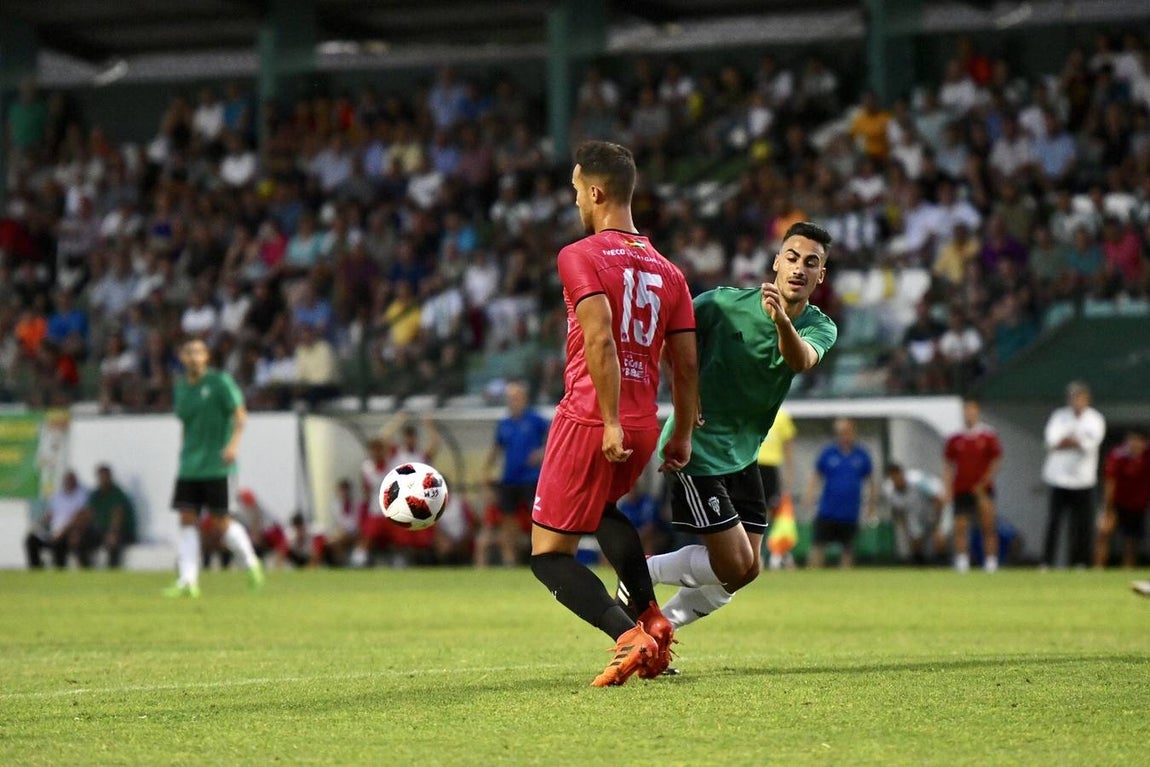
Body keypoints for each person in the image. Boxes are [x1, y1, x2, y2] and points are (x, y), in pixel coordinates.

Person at [529, 141, 698, 687]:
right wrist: (681, 432)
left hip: (591, 417)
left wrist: (606, 420)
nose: (576, 199)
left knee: (548, 555)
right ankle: (652, 621)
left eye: (577, 189)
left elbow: (599, 341)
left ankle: (630, 639)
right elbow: (687, 362)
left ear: (596, 192)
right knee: (600, 509)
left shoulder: (579, 255)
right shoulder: (669, 271)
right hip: (647, 422)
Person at [640, 222, 837, 632]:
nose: (800, 268)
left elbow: (799, 359)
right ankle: (639, 572)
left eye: (811, 263)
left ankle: (658, 630)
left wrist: (783, 321)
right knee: (731, 563)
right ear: (776, 262)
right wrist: (684, 393)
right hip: (698, 447)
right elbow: (667, 338)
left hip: (744, 453)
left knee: (746, 571)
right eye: (793, 258)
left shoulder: (821, 326)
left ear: (821, 276)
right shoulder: (722, 304)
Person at [164, 337, 263, 597]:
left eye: (198, 351)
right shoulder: (181, 388)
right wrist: (184, 454)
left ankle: (251, 564)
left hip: (217, 465)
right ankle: (188, 580)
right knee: (187, 520)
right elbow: (187, 425)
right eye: (188, 352)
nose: (194, 357)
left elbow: (240, 415)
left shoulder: (220, 382)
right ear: (182, 357)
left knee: (221, 522)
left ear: (206, 356)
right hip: (190, 466)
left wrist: (233, 446)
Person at [482, 381, 549, 567]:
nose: (514, 400)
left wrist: (543, 452)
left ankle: (540, 556)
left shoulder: (536, 420)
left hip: (532, 477)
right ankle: (509, 558)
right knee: (507, 519)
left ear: (524, 398)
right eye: (511, 397)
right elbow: (497, 448)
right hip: (509, 478)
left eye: (517, 396)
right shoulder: (504, 424)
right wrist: (486, 470)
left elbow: (555, 437)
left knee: (536, 517)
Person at [1042, 382, 1106, 569]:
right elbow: (1052, 440)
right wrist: (1074, 441)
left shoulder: (1095, 419)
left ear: (1087, 399)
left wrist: (1070, 441)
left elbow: (1090, 444)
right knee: (1054, 522)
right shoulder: (1059, 416)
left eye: (1081, 397)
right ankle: (1047, 562)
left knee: (1082, 524)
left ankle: (1080, 562)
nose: (1077, 401)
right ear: (1069, 399)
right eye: (1074, 397)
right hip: (1058, 478)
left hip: (1083, 479)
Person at [943, 399, 1003, 573]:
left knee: (988, 525)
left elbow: (996, 461)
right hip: (961, 488)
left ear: (977, 412)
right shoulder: (955, 438)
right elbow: (948, 464)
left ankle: (991, 561)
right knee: (961, 526)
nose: (969, 414)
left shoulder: (988, 435)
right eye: (966, 411)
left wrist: (984, 481)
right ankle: (962, 561)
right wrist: (948, 488)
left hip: (983, 489)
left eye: (972, 410)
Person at [806, 418, 875, 568]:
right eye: (842, 432)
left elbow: (871, 483)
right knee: (818, 545)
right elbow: (815, 476)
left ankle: (845, 583)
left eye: (847, 432)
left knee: (848, 549)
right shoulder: (828, 453)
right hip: (828, 510)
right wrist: (809, 499)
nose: (845, 435)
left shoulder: (862, 455)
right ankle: (812, 578)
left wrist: (871, 507)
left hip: (850, 511)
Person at [1095, 428, 1149, 568]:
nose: (1134, 444)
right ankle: (1098, 567)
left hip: (1138, 503)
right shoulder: (1117, 455)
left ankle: (1128, 567)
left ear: (1144, 443)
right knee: (1104, 532)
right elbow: (1110, 481)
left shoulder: (1148, 455)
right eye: (1131, 440)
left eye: (1138, 441)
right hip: (1116, 501)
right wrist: (1108, 508)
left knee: (1131, 538)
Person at [25, 470, 95, 569]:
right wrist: (39, 524)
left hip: (70, 532)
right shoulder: (58, 496)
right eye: (67, 480)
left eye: (72, 480)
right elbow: (50, 514)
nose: (69, 482)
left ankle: (60, 569)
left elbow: (80, 517)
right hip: (54, 531)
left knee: (61, 543)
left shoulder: (81, 496)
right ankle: (36, 569)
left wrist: (63, 531)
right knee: (31, 539)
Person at [756, 407, 798, 570]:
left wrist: (788, 477)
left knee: (773, 512)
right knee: (753, 510)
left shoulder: (782, 416)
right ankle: (756, 554)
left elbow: (788, 448)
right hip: (752, 465)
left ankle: (777, 552)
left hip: (771, 468)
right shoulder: (753, 410)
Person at [882, 464, 945, 565]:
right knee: (915, 539)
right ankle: (919, 565)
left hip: (933, 508)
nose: (895, 480)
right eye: (892, 478)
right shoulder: (889, 490)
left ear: (901, 474)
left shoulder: (917, 480)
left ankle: (943, 564)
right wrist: (906, 527)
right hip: (914, 513)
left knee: (939, 536)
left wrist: (936, 523)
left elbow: (937, 499)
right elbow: (898, 511)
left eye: (896, 476)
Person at [87, 465, 137, 568]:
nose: (103, 480)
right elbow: (90, 514)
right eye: (101, 477)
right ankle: (86, 570)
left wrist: (112, 532)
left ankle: (112, 570)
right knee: (83, 540)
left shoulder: (117, 494)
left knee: (113, 542)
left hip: (122, 532)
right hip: (102, 531)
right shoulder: (95, 495)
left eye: (106, 477)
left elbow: (118, 515)